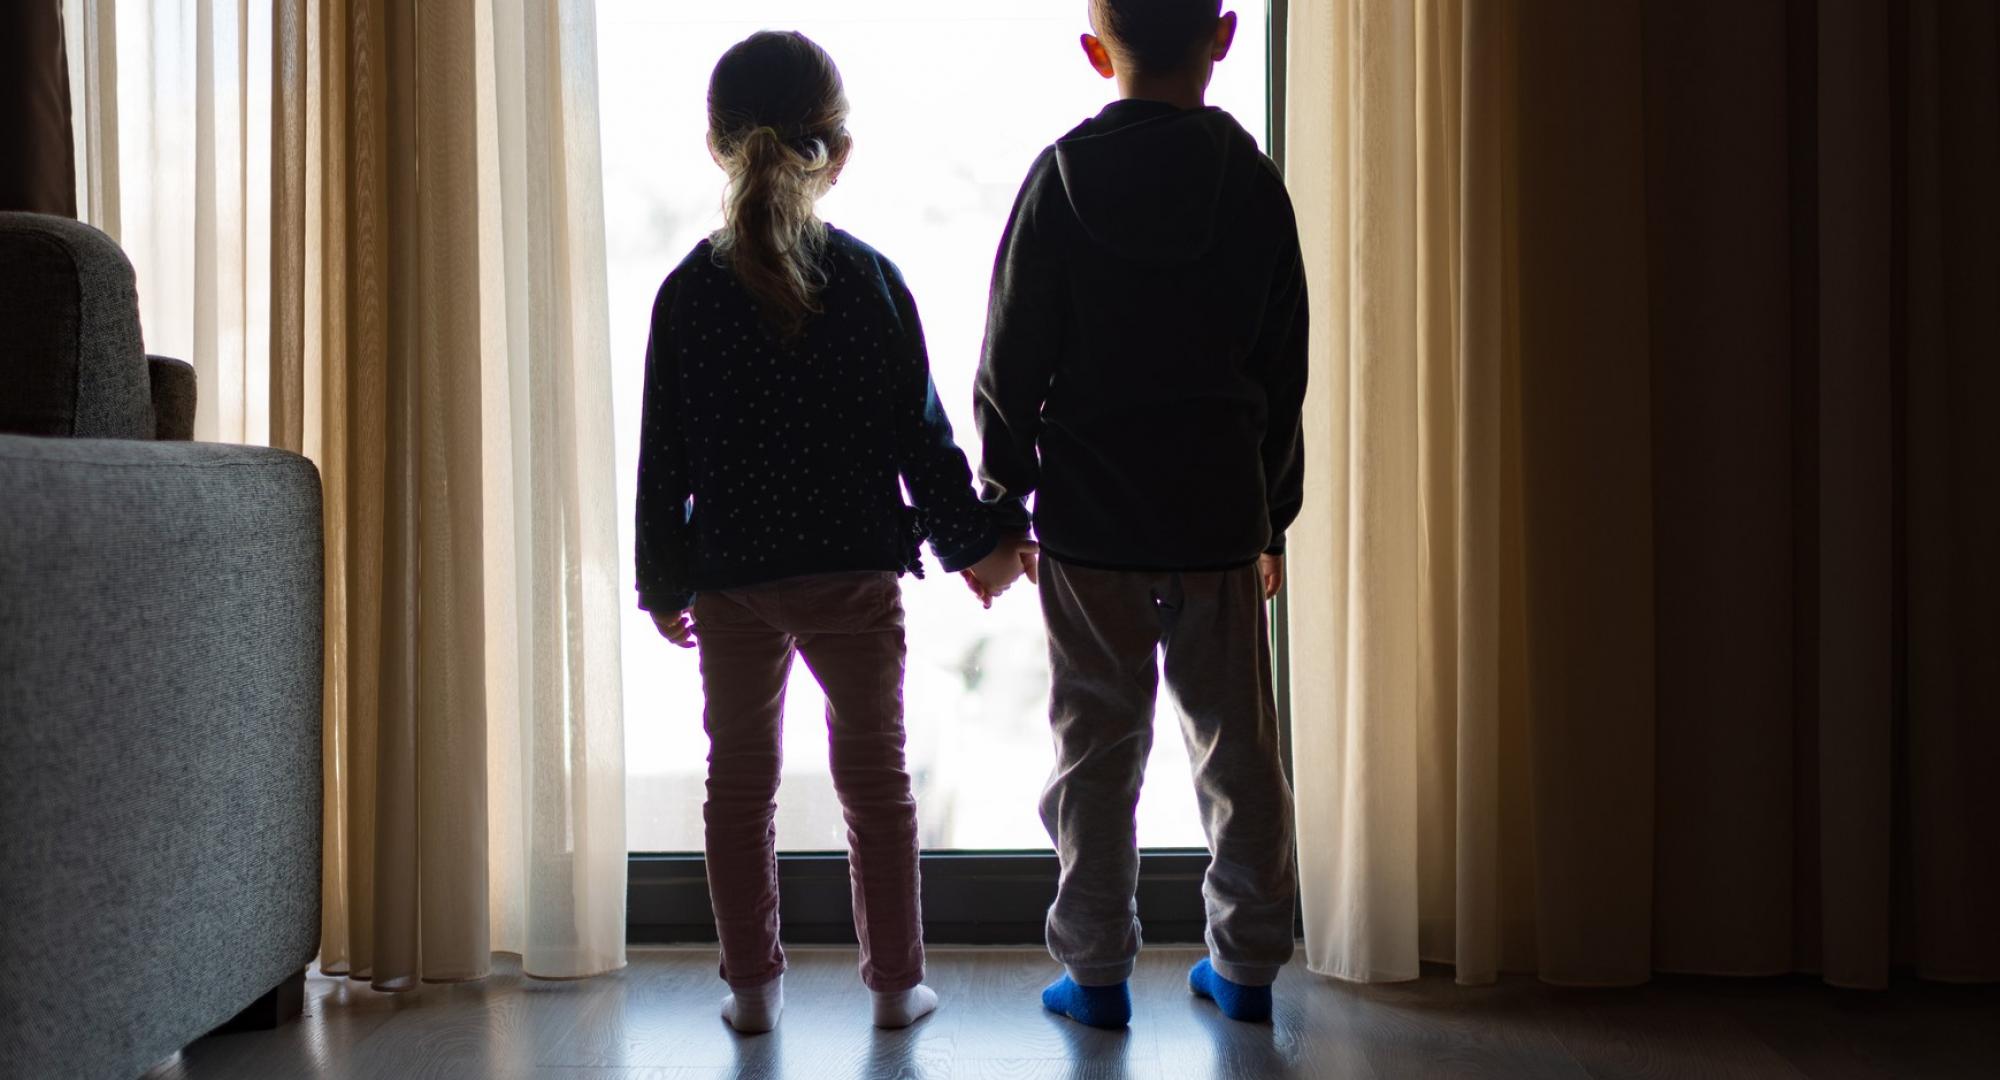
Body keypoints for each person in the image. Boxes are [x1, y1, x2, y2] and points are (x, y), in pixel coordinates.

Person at [635, 30, 1036, 1035]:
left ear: (717, 144)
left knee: (739, 787)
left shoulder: (686, 294)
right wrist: (978, 546)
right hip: (852, 574)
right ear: (838, 150)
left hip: (731, 577)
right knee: (876, 784)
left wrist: (663, 582)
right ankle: (896, 986)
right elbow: (924, 441)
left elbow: (662, 461)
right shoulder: (869, 283)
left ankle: (751, 992)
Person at [973, 0, 1309, 1029]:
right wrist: (1270, 519)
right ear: (1222, 35)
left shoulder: (1059, 181)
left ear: (1092, 51)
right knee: (1237, 751)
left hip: (1090, 525)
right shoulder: (1251, 186)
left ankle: (1096, 974)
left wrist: (1005, 495)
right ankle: (1245, 968)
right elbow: (1280, 371)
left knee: (1095, 750)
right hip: (1214, 521)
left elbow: (1009, 360)